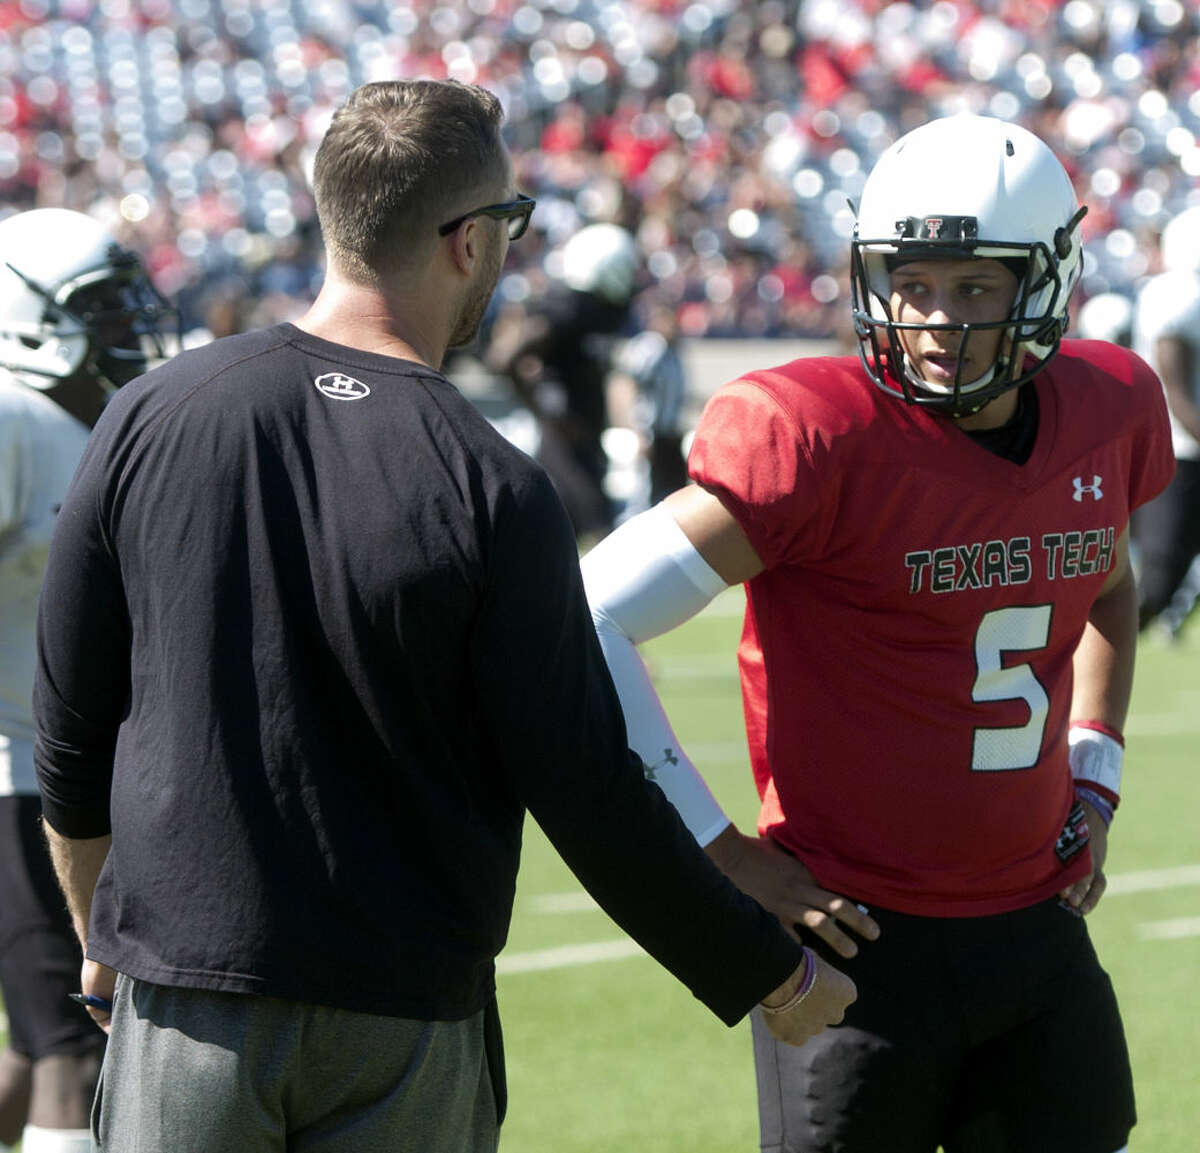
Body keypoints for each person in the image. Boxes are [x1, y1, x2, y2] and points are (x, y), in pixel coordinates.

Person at [32, 80, 853, 1153]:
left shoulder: (154, 412)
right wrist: (764, 970)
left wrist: (100, 929)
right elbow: (584, 781)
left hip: (190, 990)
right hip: (404, 1015)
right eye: (509, 226)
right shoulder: (492, 482)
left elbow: (72, 721)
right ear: (466, 241)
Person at [581, 113, 1175, 1153]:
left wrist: (1097, 765)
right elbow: (588, 612)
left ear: (1047, 283)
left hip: (1037, 927)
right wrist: (723, 853)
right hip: (858, 945)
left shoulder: (1109, 408)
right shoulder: (818, 438)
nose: (936, 318)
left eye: (974, 287)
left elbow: (1110, 585)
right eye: (913, 283)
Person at [0, 206, 176, 1153]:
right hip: (16, 777)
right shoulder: (10, 414)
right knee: (74, 1039)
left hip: (78, 776)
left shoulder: (109, 421)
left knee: (37, 1047)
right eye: (98, 307)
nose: (123, 326)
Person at [486, 221, 639, 543]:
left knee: (563, 539)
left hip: (587, 434)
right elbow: (504, 359)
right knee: (600, 534)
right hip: (564, 440)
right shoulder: (568, 306)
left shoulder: (605, 308)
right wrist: (544, 409)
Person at [1131, 204, 1200, 639]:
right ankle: (1077, 663)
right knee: (1158, 581)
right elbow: (1176, 391)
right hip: (1178, 455)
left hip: (1188, 450)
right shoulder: (1179, 293)